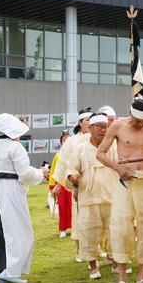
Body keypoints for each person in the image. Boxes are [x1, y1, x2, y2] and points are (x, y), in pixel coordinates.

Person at [96, 98, 143, 283]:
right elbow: (100, 153)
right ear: (130, 113)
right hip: (125, 182)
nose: (140, 124)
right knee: (120, 226)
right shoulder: (118, 126)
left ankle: (142, 277)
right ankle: (122, 279)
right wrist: (118, 168)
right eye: (137, 120)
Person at [0, 114, 47, 283]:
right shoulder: (15, 147)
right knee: (18, 229)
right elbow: (25, 173)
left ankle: (1, 271)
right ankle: (11, 271)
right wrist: (41, 173)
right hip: (11, 191)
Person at [66, 113, 118, 279]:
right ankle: (93, 266)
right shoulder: (80, 148)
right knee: (89, 232)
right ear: (90, 128)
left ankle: (116, 262)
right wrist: (73, 178)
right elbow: (70, 169)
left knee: (115, 231)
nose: (103, 129)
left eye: (105, 126)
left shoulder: (113, 146)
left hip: (112, 195)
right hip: (89, 196)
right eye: (99, 126)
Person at [51, 108, 92, 262]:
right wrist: (59, 185)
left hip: (96, 185)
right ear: (80, 123)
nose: (89, 123)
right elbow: (63, 163)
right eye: (86, 120)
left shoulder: (97, 139)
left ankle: (98, 250)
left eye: (91, 119)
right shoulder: (72, 141)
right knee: (78, 218)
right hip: (78, 185)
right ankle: (79, 251)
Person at [49, 131, 72, 238]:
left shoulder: (75, 154)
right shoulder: (58, 155)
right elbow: (54, 171)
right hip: (61, 185)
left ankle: (75, 227)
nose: (66, 142)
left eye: (68, 141)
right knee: (63, 207)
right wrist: (53, 185)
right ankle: (62, 229)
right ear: (61, 143)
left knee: (74, 207)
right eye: (64, 141)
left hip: (73, 183)